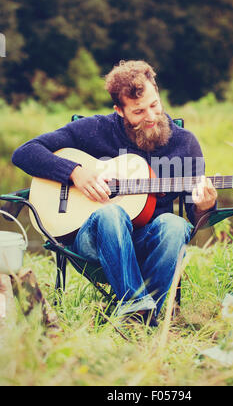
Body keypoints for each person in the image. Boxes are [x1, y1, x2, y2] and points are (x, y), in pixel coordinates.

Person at [12, 60, 217, 326]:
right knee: (111, 212)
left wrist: (205, 206)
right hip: (92, 240)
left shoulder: (184, 144)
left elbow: (197, 219)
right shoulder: (95, 129)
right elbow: (25, 153)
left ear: (157, 92)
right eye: (138, 111)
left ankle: (139, 318)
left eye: (154, 105)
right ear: (119, 110)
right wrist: (75, 172)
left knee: (176, 225)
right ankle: (137, 309)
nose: (151, 117)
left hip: (148, 243)